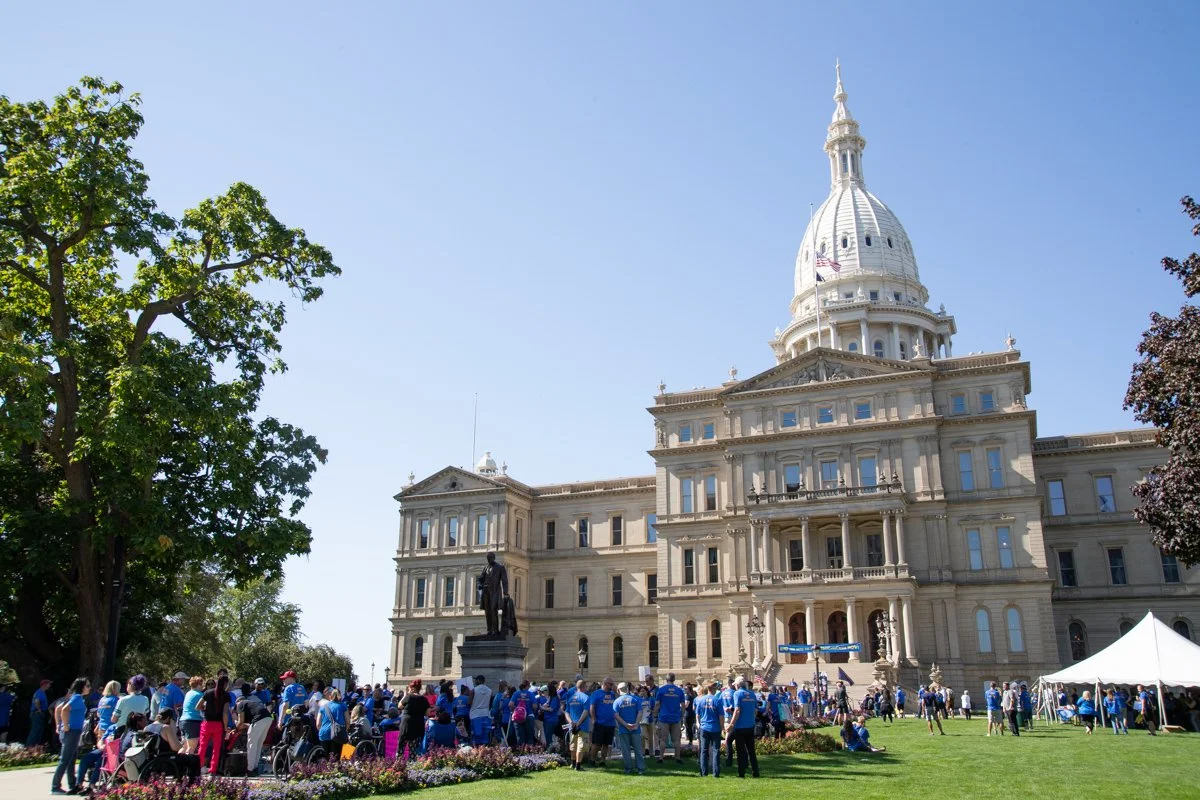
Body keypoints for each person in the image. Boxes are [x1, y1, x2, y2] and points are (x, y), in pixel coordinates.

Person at [50, 678, 89, 794]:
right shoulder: (76, 698)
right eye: (87, 686)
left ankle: (73, 785)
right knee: (65, 759)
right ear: (81, 687)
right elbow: (64, 710)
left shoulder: (75, 697)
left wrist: (58, 725)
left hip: (74, 731)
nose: (89, 688)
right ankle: (55, 786)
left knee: (71, 759)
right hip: (71, 731)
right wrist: (65, 725)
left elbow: (58, 709)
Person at [146, 708, 201, 780]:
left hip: (152, 761)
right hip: (167, 761)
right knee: (194, 759)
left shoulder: (147, 728)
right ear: (169, 718)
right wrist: (174, 730)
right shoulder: (165, 728)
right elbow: (176, 748)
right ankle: (192, 783)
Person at [197, 675, 231, 774]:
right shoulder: (226, 695)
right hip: (218, 725)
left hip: (207, 723)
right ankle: (213, 769)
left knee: (202, 746)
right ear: (226, 684)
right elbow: (225, 713)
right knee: (216, 748)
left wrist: (205, 708)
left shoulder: (208, 692)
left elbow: (197, 706)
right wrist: (225, 727)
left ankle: (197, 766)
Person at [728, 676, 759, 779]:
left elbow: (737, 710)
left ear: (737, 685)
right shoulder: (752, 694)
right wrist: (752, 719)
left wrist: (731, 724)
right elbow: (755, 710)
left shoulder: (737, 694)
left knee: (740, 751)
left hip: (740, 726)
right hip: (750, 725)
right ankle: (755, 771)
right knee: (751, 750)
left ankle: (741, 773)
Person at [612, 682, 644, 776]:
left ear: (618, 690)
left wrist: (625, 725)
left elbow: (616, 715)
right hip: (635, 728)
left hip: (623, 729)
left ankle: (628, 769)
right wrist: (636, 724)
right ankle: (640, 769)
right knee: (638, 750)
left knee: (626, 750)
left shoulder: (617, 701)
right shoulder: (636, 699)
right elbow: (640, 712)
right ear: (627, 689)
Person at [653, 672, 685, 765]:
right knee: (676, 739)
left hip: (664, 717)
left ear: (666, 680)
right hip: (675, 717)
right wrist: (681, 716)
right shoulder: (679, 691)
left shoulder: (661, 690)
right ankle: (678, 758)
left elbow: (657, 704)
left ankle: (661, 757)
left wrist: (655, 715)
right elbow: (683, 706)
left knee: (663, 739)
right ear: (674, 679)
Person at [694, 681, 723, 778]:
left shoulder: (701, 700)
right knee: (716, 750)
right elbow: (721, 716)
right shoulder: (717, 700)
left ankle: (703, 772)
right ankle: (716, 772)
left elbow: (697, 714)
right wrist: (722, 727)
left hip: (704, 727)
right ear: (713, 689)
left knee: (704, 750)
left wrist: (698, 723)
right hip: (715, 728)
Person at [589, 677, 618, 767]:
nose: (612, 686)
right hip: (600, 722)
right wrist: (594, 719)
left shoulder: (613, 694)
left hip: (610, 723)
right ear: (605, 684)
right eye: (611, 684)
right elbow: (592, 707)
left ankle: (602, 760)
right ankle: (592, 760)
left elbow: (619, 701)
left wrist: (616, 691)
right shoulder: (596, 694)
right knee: (597, 743)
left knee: (606, 743)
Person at [565, 679, 592, 771]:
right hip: (582, 726)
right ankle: (578, 766)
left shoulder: (571, 698)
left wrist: (571, 722)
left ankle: (572, 764)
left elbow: (566, 712)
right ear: (584, 686)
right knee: (581, 745)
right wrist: (579, 723)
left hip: (572, 726)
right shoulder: (585, 697)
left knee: (573, 745)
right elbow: (585, 711)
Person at [399, 680, 430, 757]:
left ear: (412, 688)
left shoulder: (408, 697)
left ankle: (398, 764)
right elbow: (427, 713)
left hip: (406, 724)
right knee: (413, 748)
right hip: (417, 724)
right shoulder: (424, 699)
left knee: (401, 746)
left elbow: (399, 706)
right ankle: (412, 764)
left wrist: (405, 695)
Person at [318, 688, 348, 759]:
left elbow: (318, 723)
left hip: (324, 733)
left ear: (330, 696)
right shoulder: (343, 706)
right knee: (336, 758)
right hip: (337, 733)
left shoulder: (323, 706)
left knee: (326, 757)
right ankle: (334, 769)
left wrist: (322, 730)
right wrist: (344, 730)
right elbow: (348, 721)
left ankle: (325, 769)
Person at [178, 676, 204, 754]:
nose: (202, 686)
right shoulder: (199, 694)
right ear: (198, 684)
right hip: (193, 721)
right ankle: (188, 765)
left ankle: (177, 764)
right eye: (201, 684)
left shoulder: (188, 693)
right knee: (191, 748)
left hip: (183, 721)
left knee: (184, 746)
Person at [468, 675, 493, 746]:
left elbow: (469, 703)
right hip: (486, 714)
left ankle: (476, 752)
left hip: (475, 715)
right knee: (485, 736)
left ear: (479, 680)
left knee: (476, 736)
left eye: (476, 680)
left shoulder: (473, 690)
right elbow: (490, 703)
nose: (475, 681)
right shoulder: (489, 690)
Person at [27, 678, 52, 747]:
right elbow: (36, 701)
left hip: (38, 713)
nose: (49, 685)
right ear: (44, 685)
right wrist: (39, 709)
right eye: (48, 684)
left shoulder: (42, 692)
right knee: (35, 731)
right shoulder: (39, 692)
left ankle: (35, 747)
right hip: (37, 713)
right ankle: (29, 746)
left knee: (39, 731)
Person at [540, 683, 562, 752]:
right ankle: (549, 750)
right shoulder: (551, 697)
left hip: (551, 719)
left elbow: (551, 709)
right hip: (549, 719)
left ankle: (548, 751)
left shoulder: (554, 698)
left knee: (547, 736)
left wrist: (541, 708)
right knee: (548, 735)